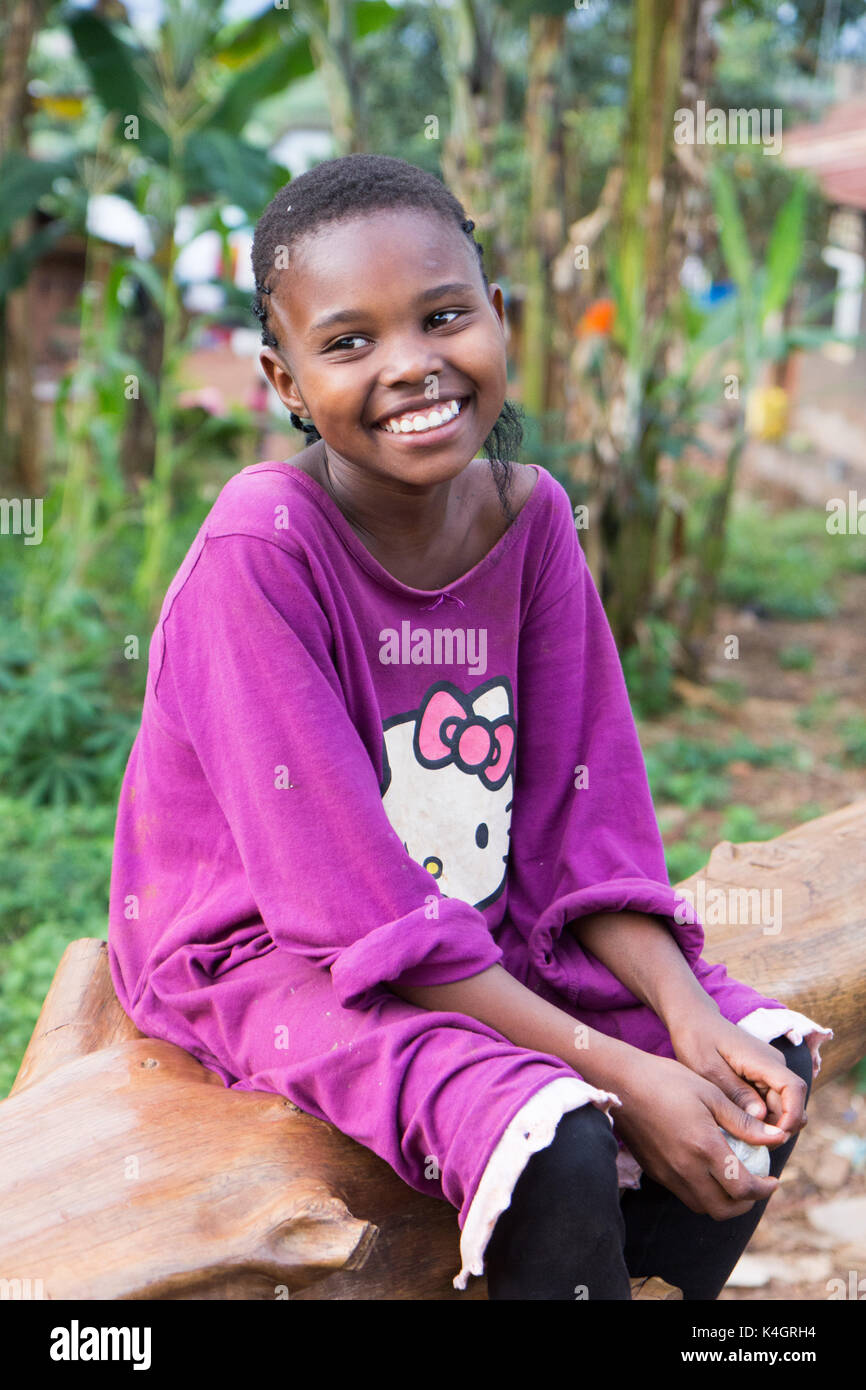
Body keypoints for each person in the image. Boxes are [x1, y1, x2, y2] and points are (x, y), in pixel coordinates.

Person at [107, 154, 832, 1301]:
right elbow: (350, 918)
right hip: (274, 951)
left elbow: (582, 840)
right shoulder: (264, 549)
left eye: (443, 316)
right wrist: (623, 1076)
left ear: (497, 317)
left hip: (474, 919)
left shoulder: (532, 519)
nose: (410, 365)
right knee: (561, 1130)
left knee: (758, 1064)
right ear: (283, 379)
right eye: (348, 343)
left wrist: (688, 1019)